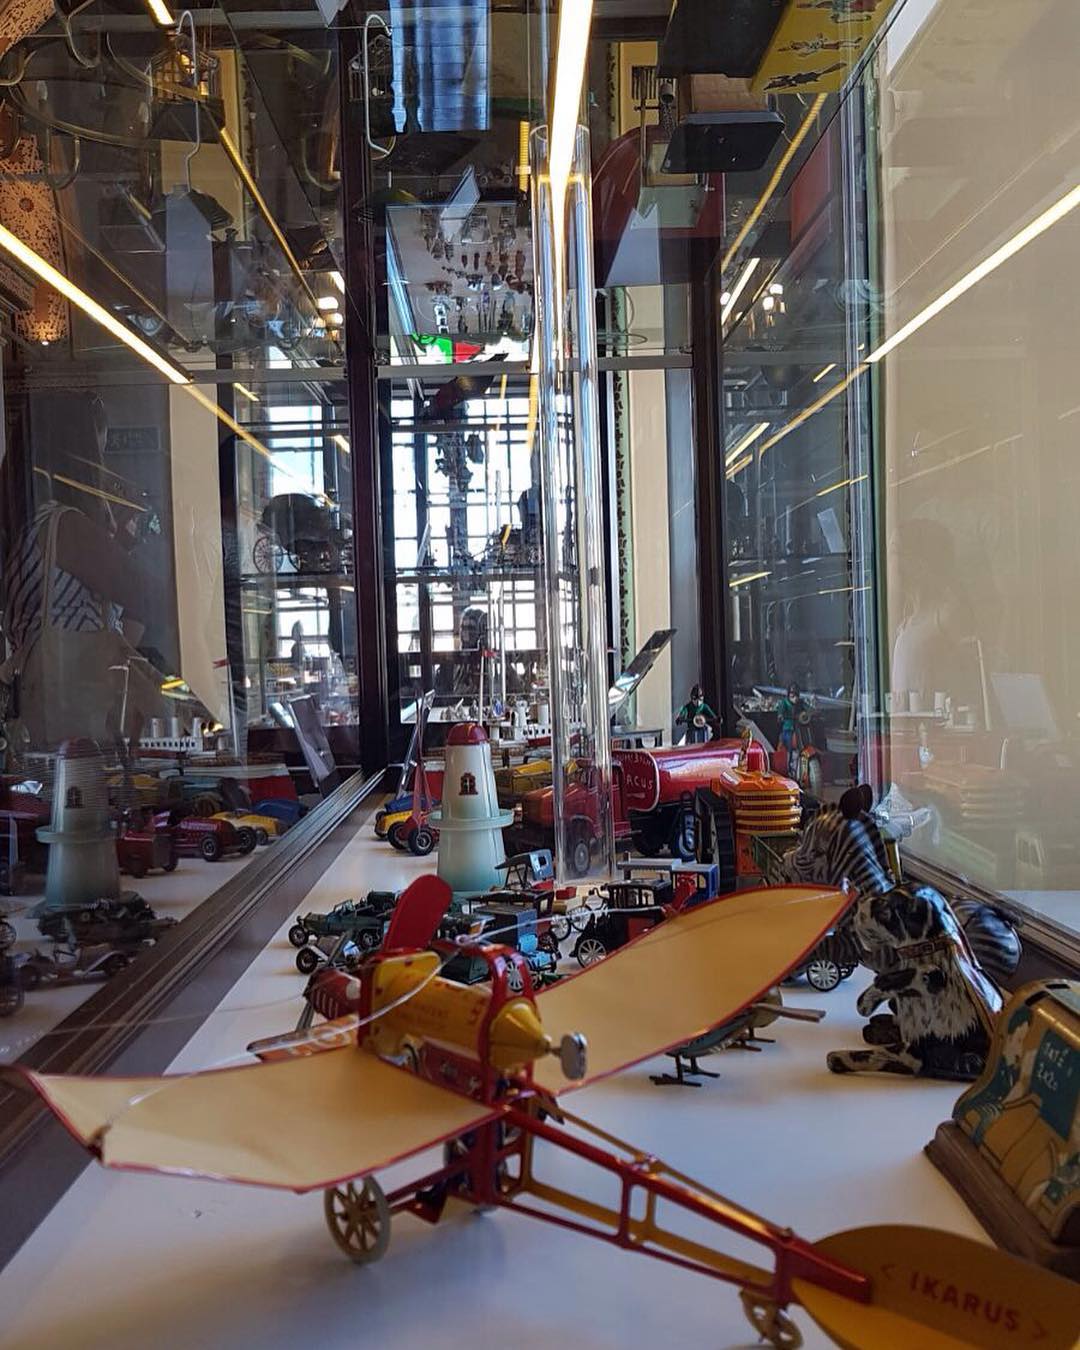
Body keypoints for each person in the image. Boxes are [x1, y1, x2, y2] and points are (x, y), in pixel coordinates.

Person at [0, 392, 167, 749]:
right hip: (79, 725)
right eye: (98, 454)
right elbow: (149, 596)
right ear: (78, 457)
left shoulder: (31, 525)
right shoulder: (65, 525)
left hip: (47, 710)